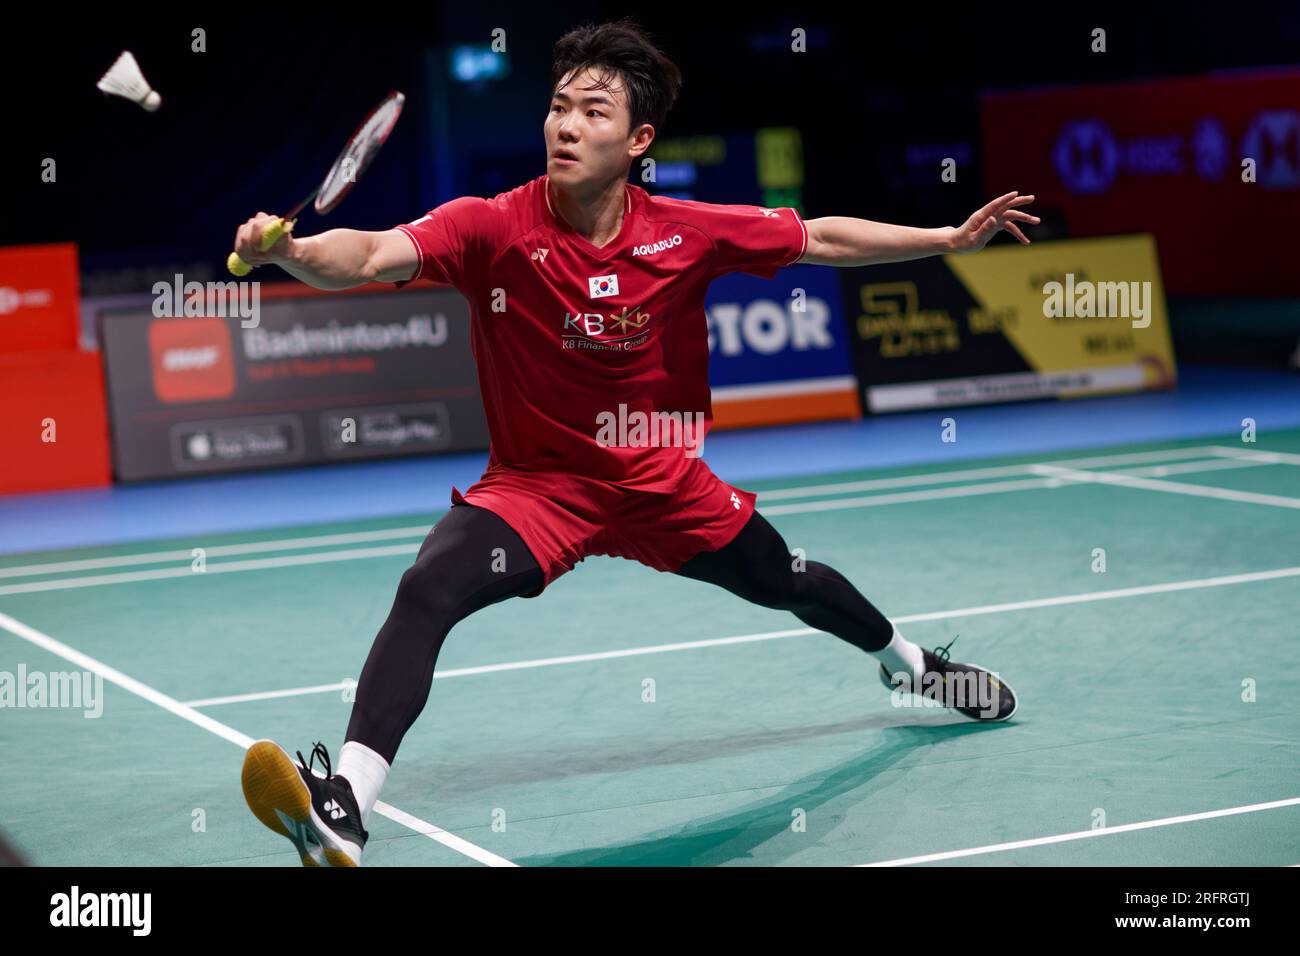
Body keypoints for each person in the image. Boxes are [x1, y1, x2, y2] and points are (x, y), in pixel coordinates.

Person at [234, 18, 1036, 867]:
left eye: (592, 112)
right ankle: (345, 807)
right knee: (429, 585)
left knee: (787, 579)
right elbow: (361, 257)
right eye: (557, 108)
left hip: (663, 482)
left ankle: (907, 663)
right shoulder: (492, 226)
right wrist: (291, 251)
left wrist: (946, 240)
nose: (567, 126)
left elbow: (821, 237)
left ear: (638, 139)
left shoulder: (687, 230)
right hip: (537, 489)